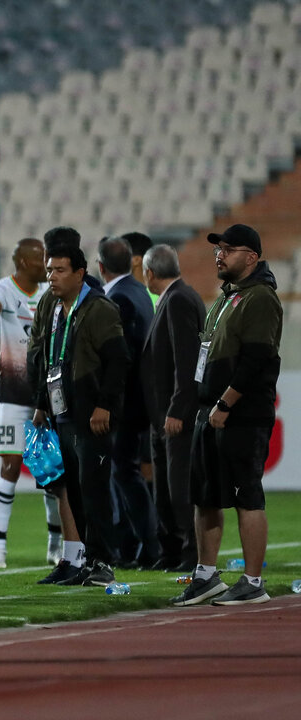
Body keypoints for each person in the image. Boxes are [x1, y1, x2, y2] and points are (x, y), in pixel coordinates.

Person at [171, 225, 283, 607]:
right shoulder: (225, 299)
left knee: (246, 494)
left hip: (241, 414)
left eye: (229, 249)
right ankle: (206, 576)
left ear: (252, 256)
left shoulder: (260, 298)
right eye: (218, 249)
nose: (220, 255)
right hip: (211, 411)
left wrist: (225, 404)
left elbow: (258, 360)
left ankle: (253, 581)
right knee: (206, 496)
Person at [33, 244, 128, 587]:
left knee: (94, 491)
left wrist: (105, 405)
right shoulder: (58, 309)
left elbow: (119, 360)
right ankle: (86, 561)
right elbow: (50, 360)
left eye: (59, 270)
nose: (51, 277)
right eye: (48, 271)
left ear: (79, 272)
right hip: (63, 413)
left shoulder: (99, 309)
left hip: (91, 415)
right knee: (73, 491)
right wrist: (42, 403)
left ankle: (102, 562)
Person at [0, 238, 60, 568]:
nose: (48, 266)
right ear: (25, 263)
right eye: (43, 260)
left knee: (51, 472)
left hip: (47, 395)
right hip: (12, 394)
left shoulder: (50, 293)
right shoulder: (1, 289)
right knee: (10, 466)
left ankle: (55, 543)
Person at [138, 245, 204, 573]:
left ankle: (193, 554)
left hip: (174, 416)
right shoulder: (178, 296)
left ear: (149, 272)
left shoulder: (178, 299)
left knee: (180, 489)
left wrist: (178, 408)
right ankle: (175, 552)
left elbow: (187, 361)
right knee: (166, 489)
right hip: (162, 416)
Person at [97, 236, 158, 568]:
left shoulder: (118, 297)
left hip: (124, 403)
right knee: (125, 473)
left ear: (101, 267)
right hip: (137, 399)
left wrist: (108, 401)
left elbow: (121, 356)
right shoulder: (137, 291)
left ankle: (146, 545)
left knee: (124, 473)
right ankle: (136, 544)